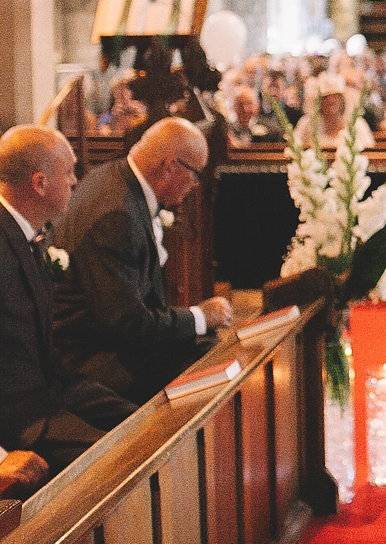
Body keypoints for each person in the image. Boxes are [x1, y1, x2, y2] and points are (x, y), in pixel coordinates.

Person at [53, 118, 233, 404]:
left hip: (109, 338)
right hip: (87, 357)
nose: (196, 185)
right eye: (196, 174)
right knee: (211, 371)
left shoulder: (117, 177)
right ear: (170, 166)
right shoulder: (116, 214)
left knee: (212, 350)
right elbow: (126, 324)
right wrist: (200, 315)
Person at [0, 126, 134, 473]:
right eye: (69, 171)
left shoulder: (28, 232)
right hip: (17, 416)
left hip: (53, 386)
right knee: (121, 463)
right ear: (40, 183)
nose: (76, 182)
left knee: (150, 425)